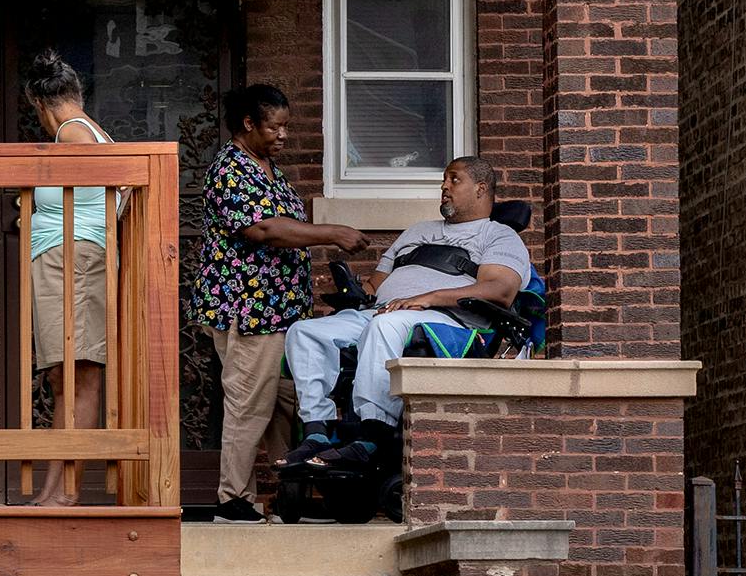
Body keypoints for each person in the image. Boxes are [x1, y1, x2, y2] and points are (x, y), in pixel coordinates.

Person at [190, 83, 369, 523]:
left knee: (288, 403)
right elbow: (264, 231)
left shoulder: (268, 168)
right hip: (247, 310)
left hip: (283, 314)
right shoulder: (230, 169)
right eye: (275, 126)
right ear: (249, 124)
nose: (283, 134)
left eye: (286, 126)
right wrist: (332, 232)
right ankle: (233, 499)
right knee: (250, 403)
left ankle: (298, 493)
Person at [283, 155, 529, 458]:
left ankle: (373, 434)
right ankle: (317, 432)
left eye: (454, 179)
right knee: (304, 332)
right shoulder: (416, 231)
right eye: (444, 179)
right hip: (384, 311)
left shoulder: (497, 235)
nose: (444, 186)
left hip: (443, 318)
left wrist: (428, 298)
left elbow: (500, 290)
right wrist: (355, 288)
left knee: (384, 325)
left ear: (481, 189)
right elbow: (376, 286)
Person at [23, 49, 113, 506]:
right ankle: (54, 489)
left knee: (79, 374)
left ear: (40, 104)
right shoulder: (86, 131)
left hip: (73, 262)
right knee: (66, 376)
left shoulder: (73, 135)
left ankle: (66, 493)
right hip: (70, 259)